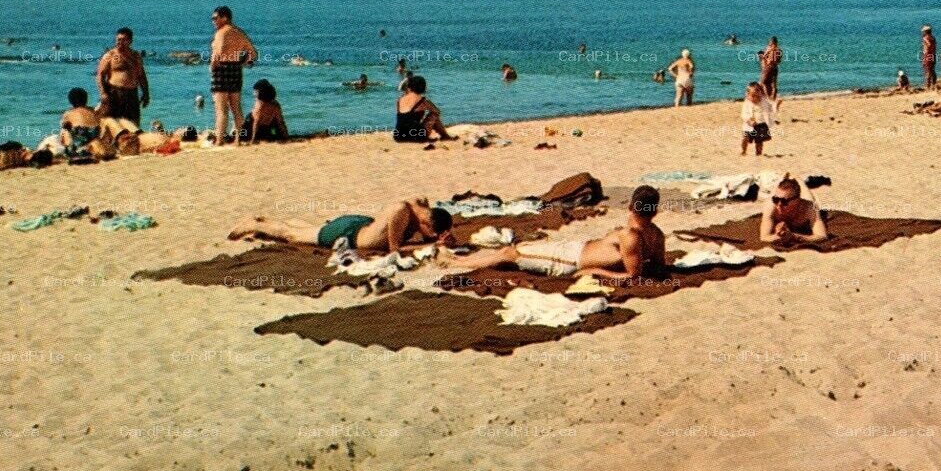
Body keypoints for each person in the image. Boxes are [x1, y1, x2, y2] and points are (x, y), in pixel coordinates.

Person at [448, 185, 665, 278]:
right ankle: (460, 261)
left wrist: (593, 272)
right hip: (574, 249)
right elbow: (657, 266)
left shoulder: (630, 236)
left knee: (511, 253)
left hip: (569, 262)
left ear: (630, 207)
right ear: (654, 211)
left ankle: (457, 264)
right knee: (519, 248)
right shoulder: (657, 234)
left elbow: (632, 276)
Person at [230, 197, 454, 252]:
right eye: (430, 232)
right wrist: (430, 246)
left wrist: (437, 238)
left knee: (310, 229)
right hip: (350, 233)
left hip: (362, 224)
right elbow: (394, 249)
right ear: (426, 221)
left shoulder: (421, 204)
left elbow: (426, 233)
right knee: (293, 236)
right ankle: (255, 225)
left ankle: (266, 221)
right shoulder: (400, 211)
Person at [209, 6, 258, 145]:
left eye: (215, 18)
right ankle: (239, 140)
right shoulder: (239, 33)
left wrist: (212, 67)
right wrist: (242, 63)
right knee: (236, 108)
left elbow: (217, 53)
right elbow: (253, 53)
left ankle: (219, 141)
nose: (213, 21)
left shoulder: (221, 33)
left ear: (225, 18)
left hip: (221, 70)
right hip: (235, 69)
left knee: (221, 109)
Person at [96, 27, 151, 127]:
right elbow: (100, 76)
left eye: (123, 40)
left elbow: (141, 75)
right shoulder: (110, 55)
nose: (119, 42)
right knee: (111, 123)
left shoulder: (136, 56)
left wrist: (146, 93)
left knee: (133, 124)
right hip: (114, 93)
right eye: (118, 39)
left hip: (131, 94)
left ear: (130, 41)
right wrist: (103, 93)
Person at [761, 176, 828, 244]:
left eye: (784, 201)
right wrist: (781, 236)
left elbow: (822, 236)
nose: (779, 205)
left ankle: (798, 178)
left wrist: (795, 237)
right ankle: (785, 176)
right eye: (776, 199)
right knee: (779, 187)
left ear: (797, 200)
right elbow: (764, 237)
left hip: (803, 203)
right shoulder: (770, 206)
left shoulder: (809, 207)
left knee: (805, 189)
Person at [395, 75, 454, 142]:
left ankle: (444, 136)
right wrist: (424, 118)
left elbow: (403, 118)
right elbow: (437, 111)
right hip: (416, 136)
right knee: (434, 114)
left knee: (408, 120)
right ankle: (445, 136)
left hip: (398, 136)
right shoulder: (422, 100)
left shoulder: (399, 100)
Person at [61, 87, 104, 161]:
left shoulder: (68, 113)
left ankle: (76, 151)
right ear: (86, 99)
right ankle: (88, 150)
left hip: (78, 143)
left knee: (64, 130)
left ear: (71, 101)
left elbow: (64, 127)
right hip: (93, 139)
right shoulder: (92, 110)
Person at [242, 79, 290, 144]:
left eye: (255, 92)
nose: (253, 94)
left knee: (245, 127)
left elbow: (256, 123)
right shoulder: (275, 105)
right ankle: (283, 137)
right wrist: (287, 137)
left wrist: (252, 140)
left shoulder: (260, 105)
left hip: (256, 126)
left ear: (261, 92)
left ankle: (241, 136)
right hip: (261, 126)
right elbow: (281, 122)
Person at [740, 81, 775, 156]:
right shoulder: (747, 103)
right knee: (745, 138)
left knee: (759, 141)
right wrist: (748, 120)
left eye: (757, 95)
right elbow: (743, 114)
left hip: (761, 124)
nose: (755, 98)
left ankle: (758, 153)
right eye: (752, 96)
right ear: (747, 95)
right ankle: (743, 151)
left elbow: (770, 109)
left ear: (761, 94)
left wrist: (776, 104)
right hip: (749, 125)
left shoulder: (763, 102)